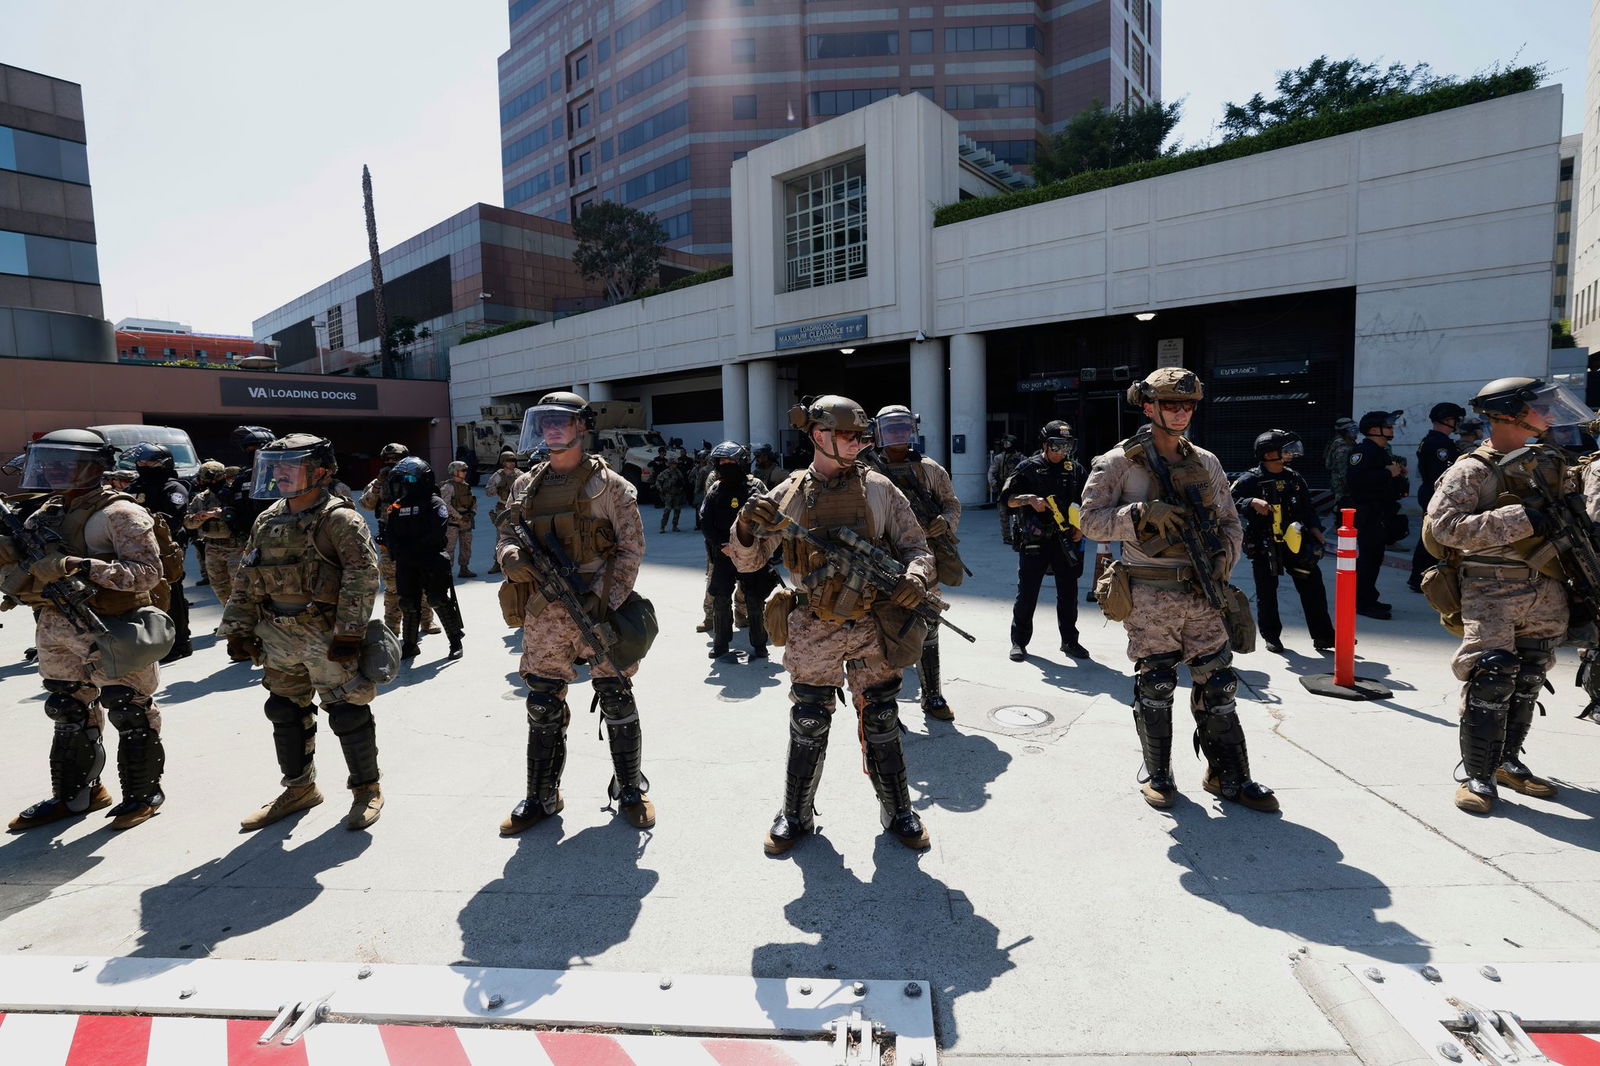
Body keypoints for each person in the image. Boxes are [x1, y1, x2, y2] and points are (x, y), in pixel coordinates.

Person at [730, 394, 936, 854]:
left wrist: (916, 578)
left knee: (881, 714)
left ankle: (898, 809)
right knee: (809, 719)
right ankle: (795, 813)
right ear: (819, 436)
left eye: (864, 436)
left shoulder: (880, 488)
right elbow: (749, 561)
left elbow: (917, 547)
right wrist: (744, 526)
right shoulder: (787, 494)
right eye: (850, 436)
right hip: (813, 624)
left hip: (872, 623)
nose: (860, 444)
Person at [1079, 368, 1275, 812]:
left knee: (1219, 682)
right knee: (1157, 682)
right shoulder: (1118, 462)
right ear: (1149, 407)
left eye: (1188, 405)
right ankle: (1159, 774)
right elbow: (1089, 521)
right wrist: (1139, 513)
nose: (1182, 412)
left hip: (1203, 590)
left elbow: (1230, 520)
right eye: (1171, 404)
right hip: (1149, 591)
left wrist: (1224, 558)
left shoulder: (1205, 461)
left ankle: (1228, 775)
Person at [1425, 377, 1590, 814]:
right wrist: (1520, 519)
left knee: (1530, 675)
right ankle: (1478, 775)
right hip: (1492, 588)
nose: (1549, 414)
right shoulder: (1472, 469)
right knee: (1493, 675)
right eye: (1539, 407)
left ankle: (1507, 761)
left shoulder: (1550, 462)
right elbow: (1444, 529)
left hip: (1546, 587)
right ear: (1509, 413)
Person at [495, 391, 655, 834]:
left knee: (615, 694)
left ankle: (630, 790)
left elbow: (631, 550)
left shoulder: (610, 486)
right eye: (544, 422)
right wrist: (509, 557)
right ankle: (541, 795)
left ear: (582, 426)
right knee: (543, 702)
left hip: (598, 608)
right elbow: (507, 534)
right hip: (546, 611)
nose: (551, 430)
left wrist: (605, 601)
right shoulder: (525, 486)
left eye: (561, 422)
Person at [3, 429, 170, 831]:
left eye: (64, 463)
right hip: (55, 625)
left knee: (128, 708)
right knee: (67, 708)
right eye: (47, 463)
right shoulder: (46, 512)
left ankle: (143, 795)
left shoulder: (120, 513)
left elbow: (148, 574)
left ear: (94, 467)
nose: (51, 471)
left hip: (111, 624)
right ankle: (77, 795)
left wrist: (78, 566)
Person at [220, 434, 386, 831]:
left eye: (290, 467)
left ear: (322, 472)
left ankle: (367, 790)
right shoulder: (267, 519)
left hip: (325, 636)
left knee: (346, 711)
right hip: (277, 634)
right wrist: (238, 627)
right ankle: (299, 789)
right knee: (284, 711)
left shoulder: (340, 519)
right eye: (275, 466)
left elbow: (362, 577)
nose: (279, 474)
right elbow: (246, 577)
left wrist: (349, 634)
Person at [863, 405, 964, 720]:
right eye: (890, 429)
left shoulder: (929, 468)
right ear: (879, 432)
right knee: (877, 626)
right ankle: (880, 704)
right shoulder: (864, 469)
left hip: (922, 559)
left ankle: (932, 695)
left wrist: (945, 522)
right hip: (879, 560)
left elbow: (951, 503)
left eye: (902, 428)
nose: (897, 435)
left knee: (929, 623)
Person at [1231, 429, 1334, 654]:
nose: (1291, 453)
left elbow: (1307, 508)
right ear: (1268, 454)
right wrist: (1251, 502)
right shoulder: (1250, 479)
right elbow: (1229, 500)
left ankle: (1324, 636)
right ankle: (1272, 637)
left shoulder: (1294, 478)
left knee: (1313, 588)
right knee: (1267, 594)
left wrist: (1316, 530)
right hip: (1265, 545)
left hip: (1296, 543)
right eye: (1285, 449)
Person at [1001, 420, 1087, 662]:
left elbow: (1088, 502)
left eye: (1067, 446)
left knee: (1069, 593)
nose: (1062, 451)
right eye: (1057, 446)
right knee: (1027, 593)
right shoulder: (1028, 467)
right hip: (1035, 539)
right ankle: (1019, 642)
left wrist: (1081, 528)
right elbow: (1006, 499)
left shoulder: (1075, 470)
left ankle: (1070, 641)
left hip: (1067, 539)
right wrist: (1029, 499)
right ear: (1045, 445)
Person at [700, 441, 777, 659]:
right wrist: (720, 545)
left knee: (754, 599)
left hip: (751, 553)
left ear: (741, 462)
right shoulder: (715, 489)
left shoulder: (755, 486)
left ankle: (759, 644)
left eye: (730, 461)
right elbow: (705, 521)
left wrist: (758, 546)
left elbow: (769, 517)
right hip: (724, 553)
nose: (726, 465)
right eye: (722, 462)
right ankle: (721, 644)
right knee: (721, 598)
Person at [384, 457, 466, 661]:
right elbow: (390, 533)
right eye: (403, 480)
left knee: (438, 599)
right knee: (408, 603)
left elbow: (437, 533)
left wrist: (410, 547)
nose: (406, 484)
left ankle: (455, 642)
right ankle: (410, 645)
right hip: (406, 562)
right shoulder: (397, 506)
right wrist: (394, 546)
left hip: (431, 558)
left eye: (411, 479)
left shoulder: (434, 502)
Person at [123, 443, 192, 663]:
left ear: (164, 463)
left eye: (149, 462)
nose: (143, 465)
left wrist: (140, 521)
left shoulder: (174, 488)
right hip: (135, 550)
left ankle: (179, 643)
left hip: (165, 550)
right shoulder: (134, 487)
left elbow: (173, 520)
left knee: (171, 594)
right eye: (140, 462)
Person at [361, 443, 435, 636]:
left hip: (416, 538)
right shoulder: (379, 483)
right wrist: (379, 482)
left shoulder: (415, 479)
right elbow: (366, 504)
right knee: (393, 586)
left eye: (396, 459)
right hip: (390, 542)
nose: (391, 462)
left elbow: (431, 499)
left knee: (422, 580)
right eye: (388, 459)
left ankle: (427, 621)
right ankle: (392, 628)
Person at [1341, 411, 1408, 619]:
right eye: (1387, 426)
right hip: (1368, 512)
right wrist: (1387, 472)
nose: (1391, 429)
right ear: (1373, 430)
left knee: (1375, 557)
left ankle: (1369, 597)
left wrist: (1396, 474)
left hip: (1380, 511)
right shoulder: (1362, 451)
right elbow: (1355, 480)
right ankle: (1363, 602)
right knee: (1368, 558)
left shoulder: (1380, 451)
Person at [1408, 402, 1466, 592]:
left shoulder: (1433, 440)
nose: (1457, 423)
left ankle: (1419, 577)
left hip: (1431, 492)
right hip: (1436, 493)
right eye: (1455, 420)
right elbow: (1444, 473)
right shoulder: (1440, 444)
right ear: (1447, 420)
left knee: (1430, 536)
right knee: (1432, 538)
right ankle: (1420, 577)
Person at [183, 460, 248, 612]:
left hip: (235, 546)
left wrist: (218, 514)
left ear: (223, 476)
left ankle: (243, 618)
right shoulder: (201, 499)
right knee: (220, 586)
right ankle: (230, 617)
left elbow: (243, 516)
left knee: (239, 586)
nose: (211, 483)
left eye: (214, 479)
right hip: (212, 547)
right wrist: (200, 517)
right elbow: (188, 522)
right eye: (206, 480)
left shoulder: (234, 493)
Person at [484, 449, 521, 574]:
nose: (512, 463)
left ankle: (518, 560)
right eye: (510, 461)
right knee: (501, 537)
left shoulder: (519, 474)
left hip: (516, 509)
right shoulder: (498, 476)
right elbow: (488, 492)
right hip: (502, 509)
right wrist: (497, 486)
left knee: (520, 535)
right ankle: (497, 562)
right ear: (504, 462)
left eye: (514, 460)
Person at [441, 460, 478, 578]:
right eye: (463, 470)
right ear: (455, 472)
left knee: (466, 546)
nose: (465, 472)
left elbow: (473, 501)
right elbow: (446, 505)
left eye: (466, 470)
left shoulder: (466, 485)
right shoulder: (448, 487)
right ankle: (446, 573)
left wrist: (472, 513)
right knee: (449, 548)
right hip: (453, 522)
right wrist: (460, 516)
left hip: (466, 521)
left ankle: (464, 568)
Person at [988, 435, 1024, 544]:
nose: (1006, 446)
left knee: (1021, 515)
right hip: (1003, 490)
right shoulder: (999, 458)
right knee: (1003, 515)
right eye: (1004, 443)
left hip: (1018, 490)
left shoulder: (1022, 458)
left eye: (1008, 443)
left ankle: (1021, 536)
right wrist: (995, 485)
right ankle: (1007, 537)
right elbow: (991, 473)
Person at [655, 452, 690, 533]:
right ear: (670, 464)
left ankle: (675, 526)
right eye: (673, 464)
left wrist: (681, 486)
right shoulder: (665, 472)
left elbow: (682, 481)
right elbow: (658, 481)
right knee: (667, 510)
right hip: (668, 494)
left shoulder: (678, 472)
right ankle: (662, 527)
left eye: (675, 464)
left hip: (677, 493)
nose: (674, 465)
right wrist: (660, 488)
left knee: (677, 510)